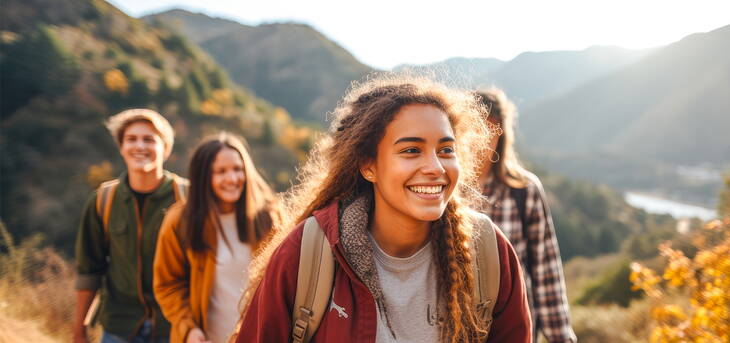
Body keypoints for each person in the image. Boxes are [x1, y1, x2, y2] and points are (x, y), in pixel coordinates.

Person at [235, 75, 532, 343]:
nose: (435, 167)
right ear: (369, 165)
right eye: (411, 150)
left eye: (446, 150)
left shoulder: (488, 252)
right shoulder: (309, 251)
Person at [153, 132, 281, 343]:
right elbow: (167, 285)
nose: (232, 179)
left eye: (237, 170)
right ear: (204, 176)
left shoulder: (269, 217)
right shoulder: (180, 220)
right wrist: (188, 329)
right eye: (220, 172)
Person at [74, 109, 187, 343]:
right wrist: (79, 329)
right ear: (121, 147)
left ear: (165, 148)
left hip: (176, 326)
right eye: (131, 139)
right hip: (119, 327)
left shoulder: (188, 198)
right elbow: (89, 270)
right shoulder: (102, 200)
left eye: (149, 139)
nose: (139, 146)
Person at [475, 89, 576, 343]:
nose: (481, 139)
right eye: (473, 129)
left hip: (515, 329)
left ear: (501, 134)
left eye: (489, 129)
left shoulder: (523, 190)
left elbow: (546, 269)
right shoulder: (444, 191)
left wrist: (560, 336)